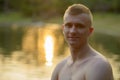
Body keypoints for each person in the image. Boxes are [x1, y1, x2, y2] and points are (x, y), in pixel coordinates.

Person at [51, 4, 114, 80]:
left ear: (90, 31)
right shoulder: (60, 68)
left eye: (79, 26)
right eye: (69, 25)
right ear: (63, 29)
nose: (73, 31)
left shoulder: (98, 65)